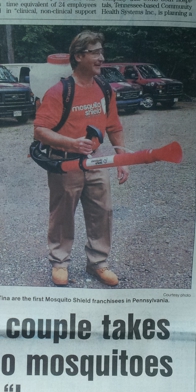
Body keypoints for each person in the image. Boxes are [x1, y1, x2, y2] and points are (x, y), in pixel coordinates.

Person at [33, 31, 130, 287]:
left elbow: (114, 125)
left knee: (103, 211)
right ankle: (60, 262)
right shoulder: (59, 92)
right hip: (65, 162)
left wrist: (121, 156)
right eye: (95, 52)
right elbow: (40, 131)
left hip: (95, 160)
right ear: (78, 56)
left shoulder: (104, 88)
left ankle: (98, 262)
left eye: (101, 52)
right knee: (63, 213)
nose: (102, 57)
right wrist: (71, 142)